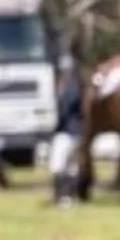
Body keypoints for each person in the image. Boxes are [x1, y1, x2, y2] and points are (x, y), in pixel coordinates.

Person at [47, 51, 83, 207]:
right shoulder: (74, 87)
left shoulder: (69, 89)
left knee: (58, 165)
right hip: (75, 132)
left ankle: (62, 196)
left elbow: (63, 111)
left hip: (66, 132)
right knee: (71, 167)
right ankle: (70, 196)